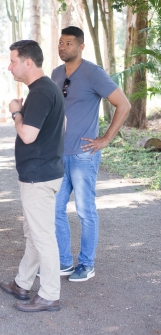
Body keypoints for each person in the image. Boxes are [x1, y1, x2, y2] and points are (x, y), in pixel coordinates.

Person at [51, 26, 131, 282]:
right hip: (58, 155)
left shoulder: (93, 73)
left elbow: (124, 104)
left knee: (85, 211)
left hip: (84, 155)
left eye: (69, 43)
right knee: (55, 209)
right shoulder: (55, 74)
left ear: (81, 46)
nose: (63, 47)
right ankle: (64, 262)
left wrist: (105, 139)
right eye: (61, 43)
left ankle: (86, 264)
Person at [0, 40, 65, 312]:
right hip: (42, 172)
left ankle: (49, 294)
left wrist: (15, 111)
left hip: (39, 175)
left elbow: (27, 134)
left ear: (28, 62)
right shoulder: (47, 89)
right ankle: (22, 283)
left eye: (13, 60)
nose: (9, 66)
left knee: (42, 235)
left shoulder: (39, 93)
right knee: (34, 233)